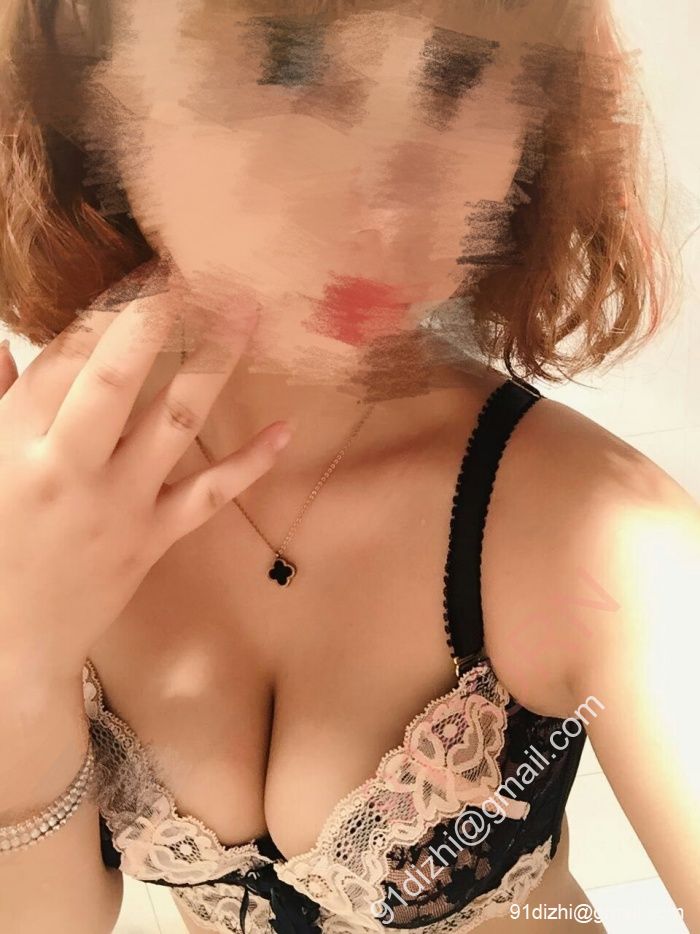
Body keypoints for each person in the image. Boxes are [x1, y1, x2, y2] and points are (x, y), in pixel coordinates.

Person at [0, 1, 698, 932]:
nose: (393, 196)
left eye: (461, 69)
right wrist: (17, 652)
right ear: (86, 80)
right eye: (289, 58)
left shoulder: (600, 534)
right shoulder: (49, 492)